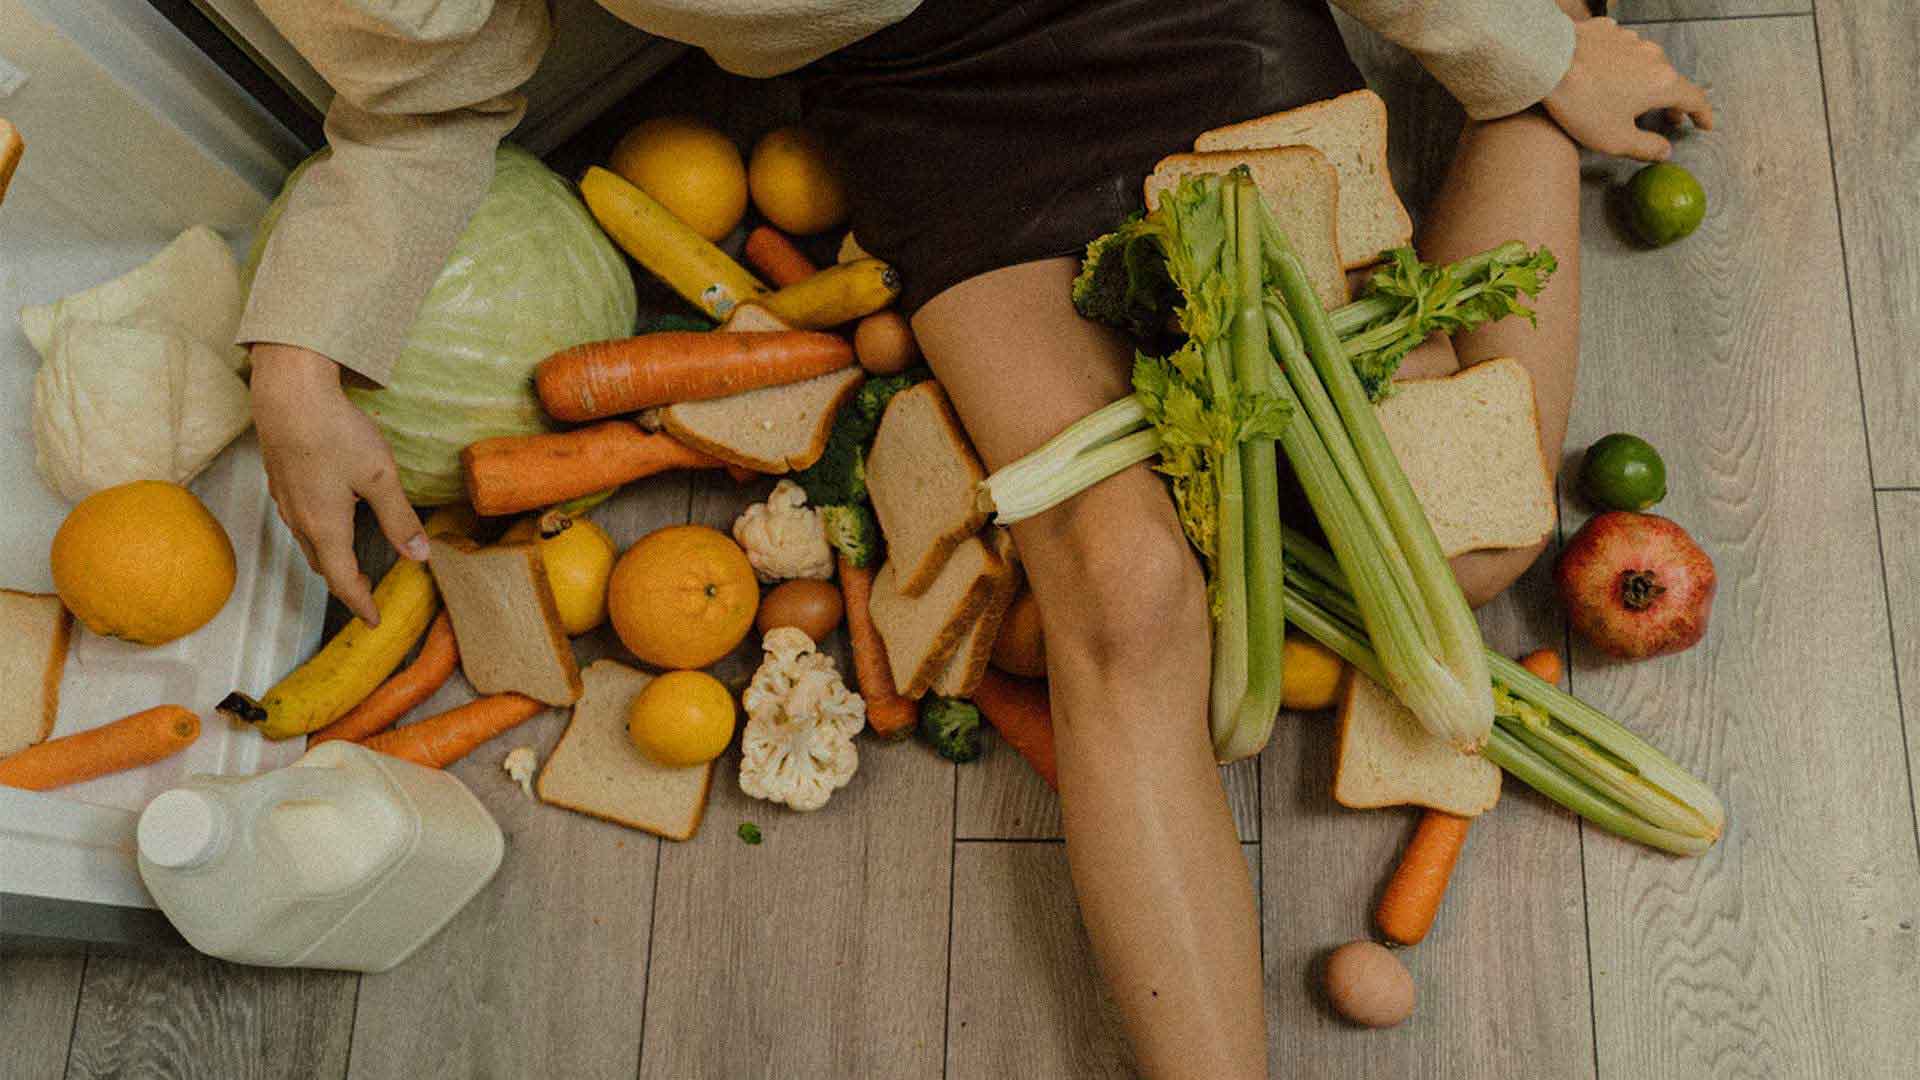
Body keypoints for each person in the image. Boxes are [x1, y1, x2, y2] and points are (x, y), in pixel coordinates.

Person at [243, 2, 1710, 1075]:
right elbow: (423, 92)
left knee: (1473, 552)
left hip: (1181, 18)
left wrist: (1524, 51)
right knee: (1123, 590)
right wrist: (300, 359)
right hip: (924, 95)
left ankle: (1528, 103)